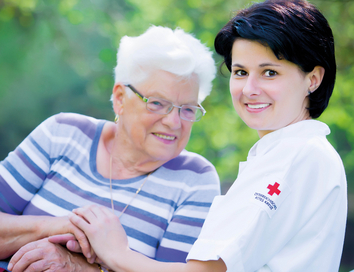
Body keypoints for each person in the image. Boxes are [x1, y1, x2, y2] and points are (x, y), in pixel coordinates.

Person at [43, 0, 348, 271]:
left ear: (313, 79)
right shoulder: (293, 153)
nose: (249, 89)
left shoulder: (296, 156)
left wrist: (115, 252)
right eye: (241, 72)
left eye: (270, 72)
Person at [1, 25, 221, 271]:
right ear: (120, 99)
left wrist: (77, 266)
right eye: (158, 103)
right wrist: (61, 226)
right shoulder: (63, 133)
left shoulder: (195, 180)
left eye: (188, 109)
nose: (174, 122)